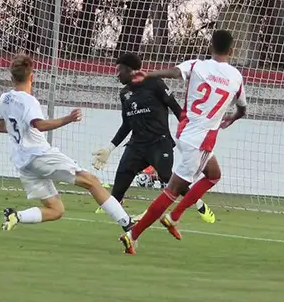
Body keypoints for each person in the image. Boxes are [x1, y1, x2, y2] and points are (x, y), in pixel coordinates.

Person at [119, 30, 247, 254]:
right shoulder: (236, 76)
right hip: (201, 140)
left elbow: (175, 72)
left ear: (210, 47)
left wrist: (148, 75)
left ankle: (174, 216)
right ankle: (134, 234)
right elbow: (242, 108)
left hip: (186, 132)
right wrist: (232, 118)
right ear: (232, 50)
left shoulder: (197, 65)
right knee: (172, 190)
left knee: (214, 174)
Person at [0, 54, 134, 235]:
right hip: (39, 155)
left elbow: (1, 127)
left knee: (56, 210)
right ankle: (128, 224)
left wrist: (20, 131)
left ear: (11, 77)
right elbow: (39, 124)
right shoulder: (28, 101)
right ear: (32, 76)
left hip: (23, 163)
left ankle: (16, 216)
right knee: (91, 182)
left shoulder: (4, 98)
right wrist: (68, 119)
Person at [91, 52, 215, 224]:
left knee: (167, 176)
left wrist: (191, 134)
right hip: (136, 145)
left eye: (118, 70)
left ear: (129, 70)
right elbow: (127, 124)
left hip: (159, 142)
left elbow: (176, 108)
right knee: (119, 182)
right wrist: (109, 148)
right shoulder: (124, 93)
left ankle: (199, 203)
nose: (116, 74)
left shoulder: (154, 83)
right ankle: (115, 210)